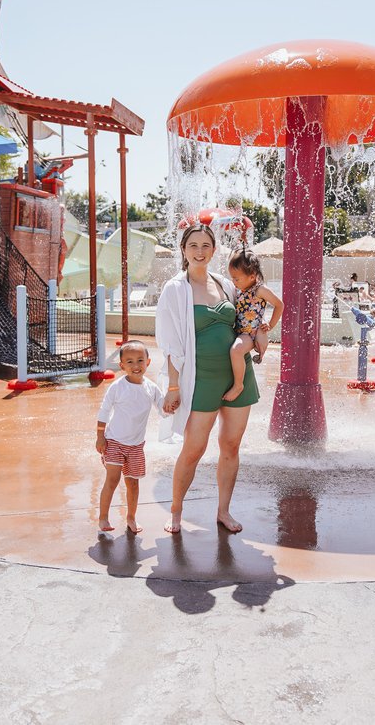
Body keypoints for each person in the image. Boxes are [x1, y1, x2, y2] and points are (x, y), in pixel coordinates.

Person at [155, 223, 260, 534]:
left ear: (214, 250)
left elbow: (247, 320)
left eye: (206, 246)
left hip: (238, 375)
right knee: (194, 449)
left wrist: (260, 333)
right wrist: (173, 387)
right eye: (193, 246)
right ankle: (176, 511)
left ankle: (223, 511)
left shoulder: (226, 284)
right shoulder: (175, 288)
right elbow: (171, 343)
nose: (199, 252)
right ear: (184, 251)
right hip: (200, 379)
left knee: (230, 445)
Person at [96, 340, 168, 533]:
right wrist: (100, 437)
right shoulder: (118, 387)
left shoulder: (151, 388)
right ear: (121, 366)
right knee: (112, 480)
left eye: (140, 360)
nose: (135, 366)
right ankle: (103, 518)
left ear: (148, 362)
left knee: (133, 483)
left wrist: (175, 402)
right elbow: (104, 411)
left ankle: (131, 517)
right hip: (114, 442)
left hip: (136, 446)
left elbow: (164, 410)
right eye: (129, 362)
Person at [223, 247, 284, 401]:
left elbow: (279, 305)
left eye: (237, 278)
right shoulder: (240, 288)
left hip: (250, 334)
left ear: (252, 276)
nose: (233, 282)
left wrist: (269, 325)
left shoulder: (260, 290)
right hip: (240, 331)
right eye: (232, 278)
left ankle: (238, 385)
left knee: (236, 351)